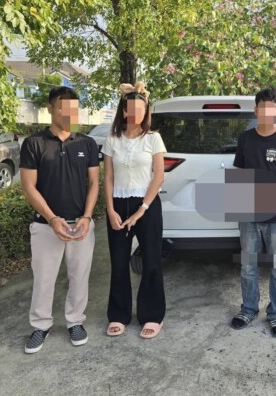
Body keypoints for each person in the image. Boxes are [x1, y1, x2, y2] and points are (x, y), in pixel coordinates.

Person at [20, 86, 99, 354]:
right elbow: (29, 187)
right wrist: (52, 218)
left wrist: (87, 216)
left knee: (80, 277)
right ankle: (40, 325)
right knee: (44, 278)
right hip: (46, 226)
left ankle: (75, 321)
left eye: (73, 110)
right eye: (63, 109)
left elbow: (94, 183)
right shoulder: (34, 143)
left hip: (81, 224)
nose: (69, 115)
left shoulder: (86, 143)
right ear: (51, 108)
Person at [230, 87, 276, 338]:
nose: (267, 112)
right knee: (248, 267)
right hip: (248, 215)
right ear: (256, 110)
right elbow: (239, 173)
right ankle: (248, 309)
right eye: (262, 107)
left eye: (272, 108)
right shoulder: (245, 139)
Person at [103, 81, 167, 339]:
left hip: (147, 205)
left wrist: (141, 210)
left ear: (146, 112)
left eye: (141, 109)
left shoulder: (153, 138)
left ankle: (152, 315)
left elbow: (158, 176)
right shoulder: (112, 140)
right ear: (124, 111)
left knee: (151, 260)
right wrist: (110, 209)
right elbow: (108, 177)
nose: (136, 113)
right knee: (118, 262)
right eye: (132, 109)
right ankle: (118, 315)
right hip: (118, 203)